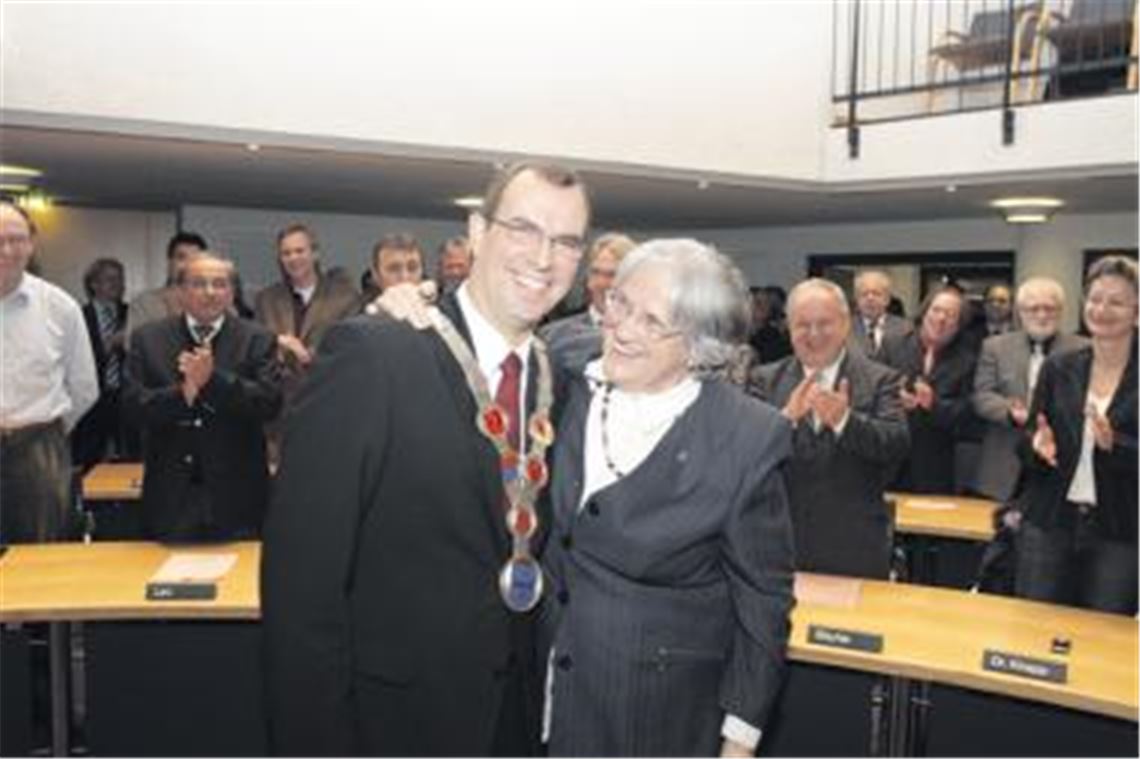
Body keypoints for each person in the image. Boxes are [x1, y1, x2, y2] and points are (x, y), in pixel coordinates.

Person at [261, 162, 590, 756]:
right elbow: (301, 587)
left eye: (566, 241)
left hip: (514, 722)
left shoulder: (560, 383)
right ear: (478, 231)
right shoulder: (374, 354)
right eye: (524, 229)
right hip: (392, 724)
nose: (544, 258)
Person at [542, 239, 794, 757]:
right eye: (620, 303)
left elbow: (763, 602)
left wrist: (739, 741)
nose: (624, 329)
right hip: (536, 696)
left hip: (651, 719)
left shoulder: (745, 437)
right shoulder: (563, 375)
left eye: (653, 321)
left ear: (699, 344)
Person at [749, 278, 908, 579]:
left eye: (824, 323)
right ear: (788, 328)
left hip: (854, 547)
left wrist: (844, 421)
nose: (814, 334)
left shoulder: (881, 379)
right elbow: (744, 456)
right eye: (802, 325)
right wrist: (784, 421)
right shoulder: (762, 380)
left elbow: (896, 444)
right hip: (778, 546)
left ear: (846, 324)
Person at [124, 251, 281, 541]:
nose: (210, 292)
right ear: (181, 291)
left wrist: (214, 380)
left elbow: (269, 403)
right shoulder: (149, 339)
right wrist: (182, 394)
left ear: (232, 292)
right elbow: (133, 408)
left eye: (220, 284)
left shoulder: (258, 339)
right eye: (198, 284)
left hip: (238, 497)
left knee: (240, 583)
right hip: (170, 497)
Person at [1015, 256, 1138, 614]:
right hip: (1049, 519)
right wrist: (1036, 447)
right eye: (1095, 298)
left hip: (1121, 527)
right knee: (1035, 628)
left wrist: (1116, 446)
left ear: (1137, 310)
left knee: (1104, 641)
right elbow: (1025, 440)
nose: (1102, 309)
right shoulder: (1060, 367)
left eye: (1116, 301)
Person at [0, 201, 98, 543]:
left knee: (40, 558)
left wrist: (48, 428)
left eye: (17, 239)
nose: (8, 250)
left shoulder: (60, 307)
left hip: (37, 449)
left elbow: (84, 386)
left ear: (31, 244)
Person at [972, 278, 1086, 503]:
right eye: (1033, 308)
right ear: (1020, 312)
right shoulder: (995, 347)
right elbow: (981, 396)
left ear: (1061, 311)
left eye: (1049, 308)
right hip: (1004, 465)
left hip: (1061, 462)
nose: (1041, 315)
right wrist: (1009, 412)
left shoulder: (1082, 349)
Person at [254, 224, 358, 463]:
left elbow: (350, 354)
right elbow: (256, 354)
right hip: (277, 418)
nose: (293, 258)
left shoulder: (346, 298)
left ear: (315, 254)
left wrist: (306, 354)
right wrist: (274, 347)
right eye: (286, 253)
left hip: (327, 410)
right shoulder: (266, 299)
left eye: (299, 251)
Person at [881, 285, 976, 494]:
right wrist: (896, 401)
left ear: (959, 325)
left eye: (950, 315)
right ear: (924, 312)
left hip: (934, 468)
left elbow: (968, 418)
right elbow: (872, 393)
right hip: (888, 463)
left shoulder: (967, 360)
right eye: (936, 310)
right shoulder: (892, 345)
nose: (941, 319)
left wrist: (933, 405)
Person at [539, 232, 636, 373]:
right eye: (595, 272)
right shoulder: (553, 337)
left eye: (611, 275)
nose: (601, 283)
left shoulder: (649, 337)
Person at [72, 257, 133, 469]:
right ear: (93, 284)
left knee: (128, 458)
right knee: (88, 458)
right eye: (110, 279)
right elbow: (75, 361)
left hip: (126, 398)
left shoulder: (133, 313)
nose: (118, 284)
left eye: (120, 279)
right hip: (91, 399)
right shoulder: (77, 316)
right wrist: (109, 345)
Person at [125, 231, 207, 341]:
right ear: (170, 262)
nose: (188, 265)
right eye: (181, 258)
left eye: (195, 260)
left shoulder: (217, 304)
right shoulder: (145, 303)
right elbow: (133, 345)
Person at [850, 269, 912, 361]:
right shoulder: (845, 329)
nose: (870, 298)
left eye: (876, 293)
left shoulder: (906, 330)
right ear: (857, 299)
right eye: (864, 294)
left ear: (887, 299)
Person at [358, 233, 425, 309]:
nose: (404, 277)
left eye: (412, 268)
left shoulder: (437, 317)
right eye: (394, 269)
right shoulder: (358, 318)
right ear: (376, 274)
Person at [747, 286, 792, 363]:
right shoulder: (734, 334)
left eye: (766, 303)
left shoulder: (774, 340)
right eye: (758, 303)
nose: (764, 305)